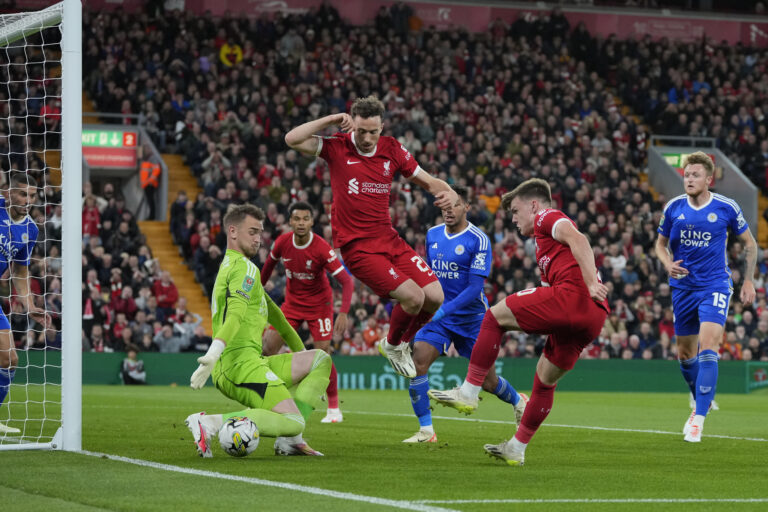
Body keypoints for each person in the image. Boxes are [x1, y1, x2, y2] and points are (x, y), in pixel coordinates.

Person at [428, 178, 609, 466]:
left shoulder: (547, 217)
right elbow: (546, 295)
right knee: (545, 379)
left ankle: (469, 391)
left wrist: (589, 283)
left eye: (515, 211)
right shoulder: (543, 249)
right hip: (593, 316)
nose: (513, 219)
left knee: (493, 316)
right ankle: (516, 448)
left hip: (575, 296)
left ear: (533, 206)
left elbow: (579, 239)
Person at [285, 95, 458, 379]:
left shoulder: (392, 149)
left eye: (372, 132)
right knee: (413, 298)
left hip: (389, 239)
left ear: (382, 127)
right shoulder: (337, 147)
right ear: (352, 126)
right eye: (361, 131)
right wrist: (330, 120)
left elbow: (428, 181)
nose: (366, 138)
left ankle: (398, 343)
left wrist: (449, 195)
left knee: (435, 297)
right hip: (358, 248)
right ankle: (393, 344)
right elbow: (292, 138)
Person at [186, 204, 332, 457]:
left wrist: (306, 366)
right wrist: (213, 354)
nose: (258, 239)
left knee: (320, 360)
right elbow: (235, 315)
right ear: (233, 231)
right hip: (238, 366)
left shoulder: (240, 269)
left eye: (260, 233)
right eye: (252, 232)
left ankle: (290, 440)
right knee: (293, 419)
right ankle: (209, 423)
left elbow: (283, 324)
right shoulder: (245, 268)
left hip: (253, 362)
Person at [404, 186, 527, 444]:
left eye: (456, 205)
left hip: (471, 320)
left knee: (489, 383)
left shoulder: (478, 239)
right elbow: (430, 277)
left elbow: (474, 289)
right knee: (418, 364)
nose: (449, 210)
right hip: (439, 319)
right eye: (446, 206)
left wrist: (443, 310)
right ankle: (426, 431)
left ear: (466, 208)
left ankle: (519, 401)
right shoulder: (432, 235)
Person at [654, 151, 756, 443]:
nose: (689, 179)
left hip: (715, 285)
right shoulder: (673, 208)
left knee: (708, 347)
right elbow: (660, 246)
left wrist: (748, 280)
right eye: (686, 175)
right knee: (685, 354)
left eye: (695, 175)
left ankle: (698, 419)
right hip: (683, 288)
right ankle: (701, 397)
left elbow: (750, 244)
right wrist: (666, 264)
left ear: (709, 179)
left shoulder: (726, 207)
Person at [260, 201, 354, 424]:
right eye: (296, 219)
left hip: (320, 307)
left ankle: (333, 409)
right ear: (290, 221)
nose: (301, 223)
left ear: (312, 222)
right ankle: (269, 398)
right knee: (267, 348)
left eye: (305, 219)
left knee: (323, 357)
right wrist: (258, 296)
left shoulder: (321, 248)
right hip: (292, 305)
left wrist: (343, 312)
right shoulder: (282, 242)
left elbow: (346, 282)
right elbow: (266, 270)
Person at [0, 173, 44, 434]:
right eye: (22, 194)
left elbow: (19, 271)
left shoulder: (30, 229)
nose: (28, 200)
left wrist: (30, 305)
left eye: (32, 196)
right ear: (8, 192)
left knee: (9, 359)